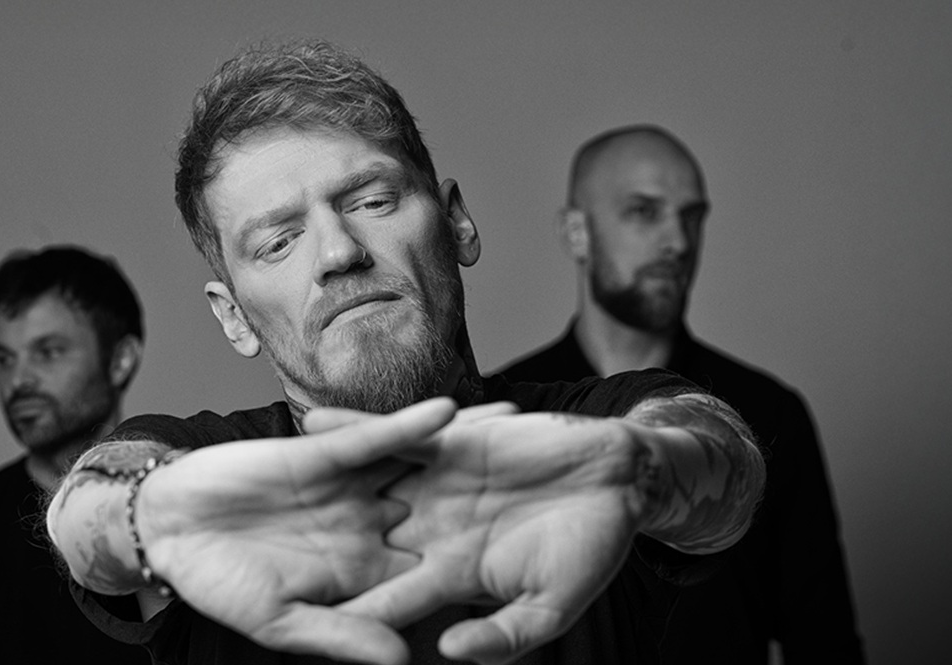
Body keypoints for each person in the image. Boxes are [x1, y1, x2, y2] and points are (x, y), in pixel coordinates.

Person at [44, 41, 766, 665]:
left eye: (371, 200)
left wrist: (638, 472)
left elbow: (726, 469)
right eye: (279, 241)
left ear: (457, 224)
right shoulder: (205, 464)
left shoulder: (585, 433)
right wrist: (156, 517)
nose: (338, 252)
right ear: (234, 316)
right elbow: (87, 514)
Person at [497, 125, 865, 662]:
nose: (679, 242)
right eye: (644, 212)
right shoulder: (507, 415)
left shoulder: (770, 412)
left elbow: (825, 642)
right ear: (577, 233)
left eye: (691, 217)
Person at [0, 245, 149, 664]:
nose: (18, 381)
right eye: (5, 358)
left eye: (48, 352)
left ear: (120, 360)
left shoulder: (180, 512)